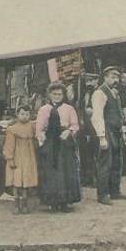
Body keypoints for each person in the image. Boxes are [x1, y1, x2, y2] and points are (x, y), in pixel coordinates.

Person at [36, 82, 81, 212]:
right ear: (49, 95)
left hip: (64, 141)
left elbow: (75, 125)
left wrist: (69, 131)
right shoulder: (44, 109)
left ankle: (65, 202)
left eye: (59, 94)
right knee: (52, 172)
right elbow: (39, 128)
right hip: (50, 142)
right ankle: (52, 202)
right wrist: (42, 138)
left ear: (63, 95)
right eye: (54, 94)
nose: (57, 96)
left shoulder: (69, 108)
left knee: (66, 170)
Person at [91, 66, 126, 205]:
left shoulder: (115, 94)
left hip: (116, 131)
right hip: (106, 130)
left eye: (117, 78)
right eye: (112, 77)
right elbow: (97, 116)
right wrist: (102, 137)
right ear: (105, 77)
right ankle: (102, 194)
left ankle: (115, 191)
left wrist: (123, 132)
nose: (115, 80)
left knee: (117, 161)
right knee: (105, 162)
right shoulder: (99, 93)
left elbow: (119, 114)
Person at [3, 105, 38, 214]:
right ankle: (16, 204)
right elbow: (9, 145)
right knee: (16, 181)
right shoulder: (13, 129)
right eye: (22, 114)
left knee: (26, 181)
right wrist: (10, 158)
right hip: (17, 157)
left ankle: (25, 204)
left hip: (28, 158)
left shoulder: (32, 127)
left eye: (27, 114)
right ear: (17, 115)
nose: (24, 117)